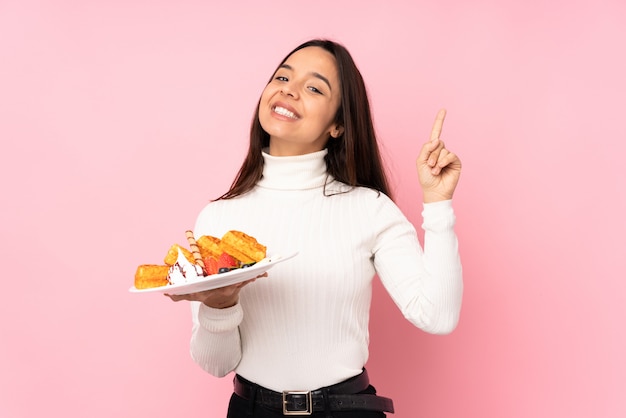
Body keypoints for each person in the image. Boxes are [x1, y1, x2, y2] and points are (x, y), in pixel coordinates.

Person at [167, 39, 463, 417]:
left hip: (346, 410)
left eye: (313, 87)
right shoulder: (219, 218)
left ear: (339, 124)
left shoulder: (369, 209)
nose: (288, 89)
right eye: (282, 76)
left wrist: (438, 204)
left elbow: (438, 314)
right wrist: (219, 307)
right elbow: (216, 364)